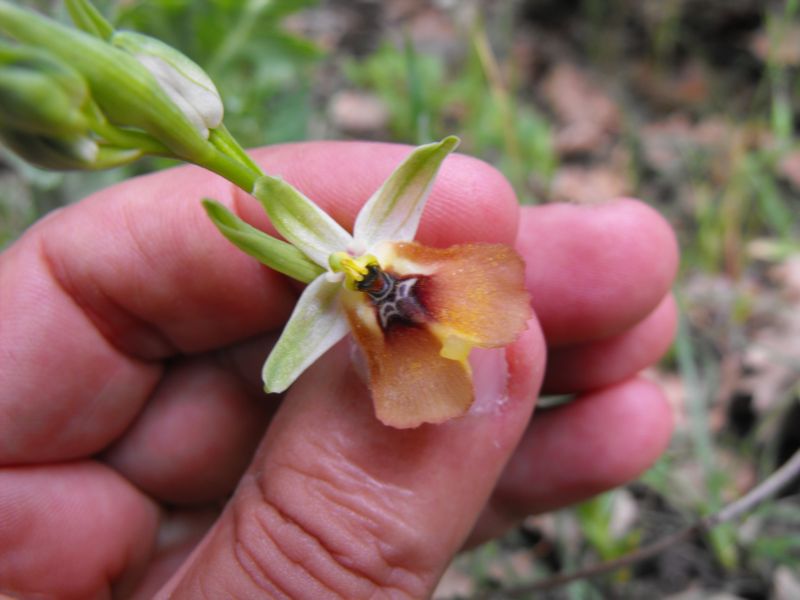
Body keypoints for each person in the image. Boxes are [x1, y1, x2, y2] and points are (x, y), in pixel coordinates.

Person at [0, 142, 678, 599]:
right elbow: (287, 358)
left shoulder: (369, 253)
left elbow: (417, 178)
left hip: (420, 279)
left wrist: (380, 287)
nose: (371, 278)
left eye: (371, 274)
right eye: (362, 279)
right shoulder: (335, 290)